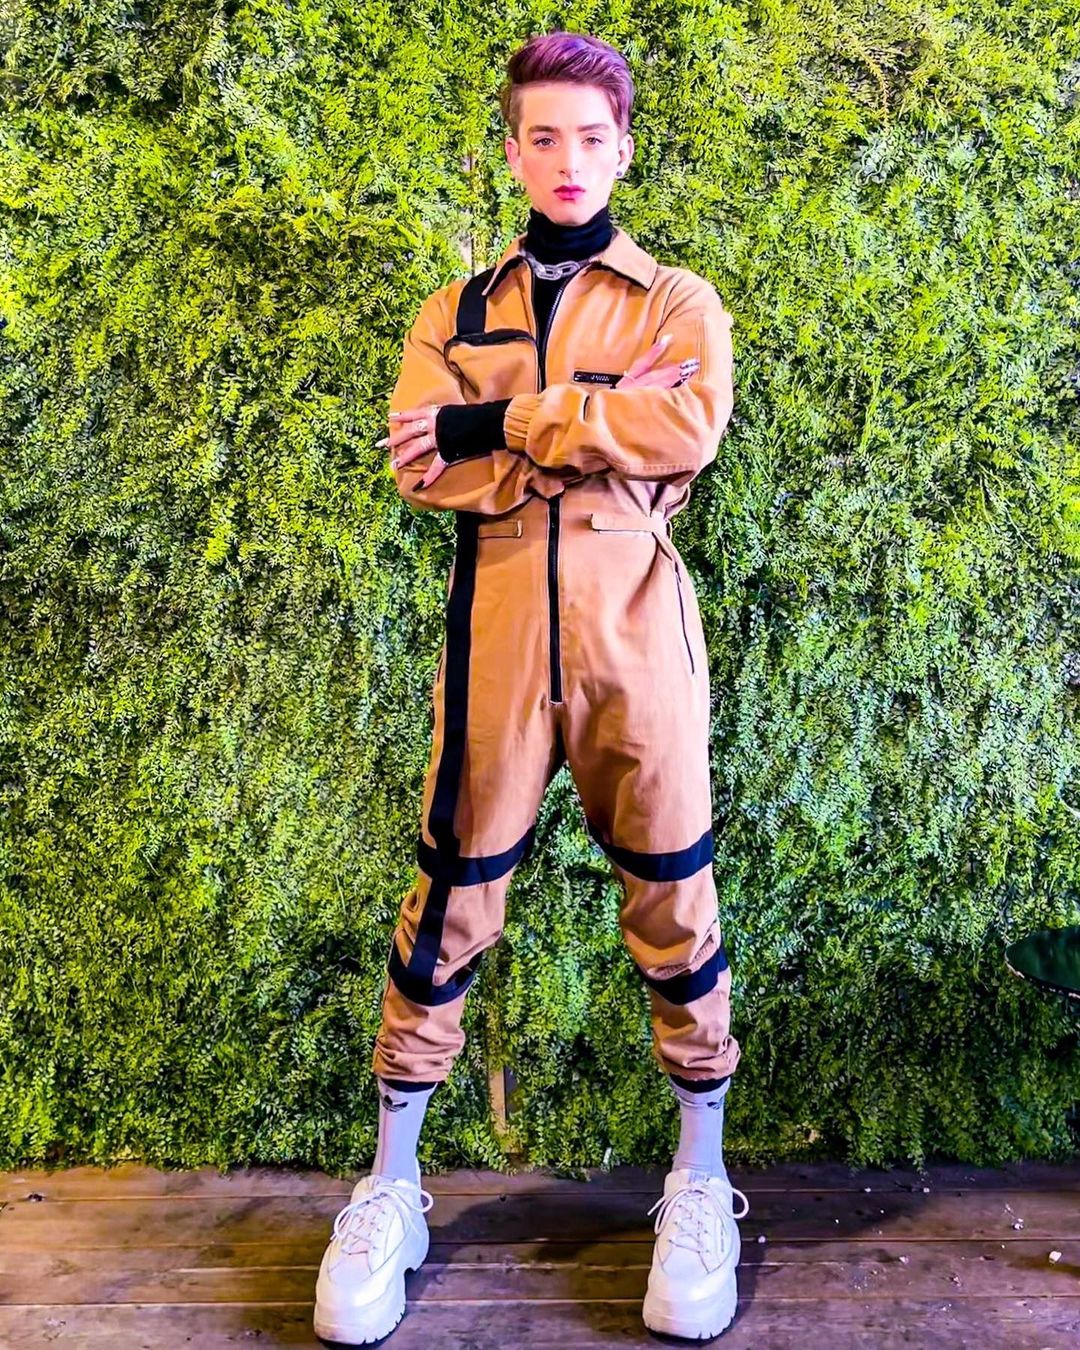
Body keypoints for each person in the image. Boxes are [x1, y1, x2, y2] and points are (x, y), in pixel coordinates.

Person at [314, 29, 748, 1346]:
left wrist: (499, 420)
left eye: (591, 138)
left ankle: (699, 1177)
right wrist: (594, 420)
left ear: (624, 150)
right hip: (495, 629)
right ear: (511, 150)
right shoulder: (453, 312)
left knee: (672, 889)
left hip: (637, 635)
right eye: (542, 136)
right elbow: (420, 464)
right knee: (451, 896)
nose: (568, 160)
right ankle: (392, 1184)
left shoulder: (678, 303)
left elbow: (687, 428)